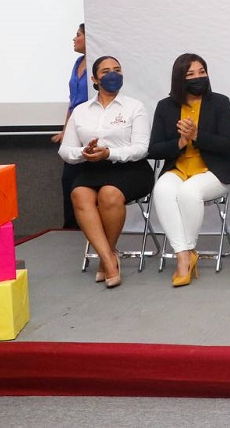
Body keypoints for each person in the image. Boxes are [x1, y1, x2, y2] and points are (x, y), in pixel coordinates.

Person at [58, 56, 153, 288]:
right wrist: (84, 152)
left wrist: (109, 153)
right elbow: (65, 150)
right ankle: (109, 258)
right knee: (79, 194)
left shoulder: (134, 107)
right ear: (94, 79)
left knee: (109, 194)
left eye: (117, 70)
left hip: (131, 169)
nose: (113, 74)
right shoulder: (80, 111)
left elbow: (141, 148)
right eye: (106, 71)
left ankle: (106, 259)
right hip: (93, 168)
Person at [148, 54, 230, 287]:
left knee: (188, 192)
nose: (198, 77)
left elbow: (228, 144)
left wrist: (197, 135)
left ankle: (187, 254)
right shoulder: (165, 107)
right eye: (190, 74)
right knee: (162, 190)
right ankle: (184, 255)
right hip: (178, 169)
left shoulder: (220, 103)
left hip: (213, 171)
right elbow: (154, 149)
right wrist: (180, 142)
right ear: (179, 79)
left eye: (202, 72)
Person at [52, 23, 89, 229]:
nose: (74, 39)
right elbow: (72, 101)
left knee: (83, 179)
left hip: (89, 127)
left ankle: (86, 225)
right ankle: (70, 227)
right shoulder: (77, 62)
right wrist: (65, 130)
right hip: (74, 128)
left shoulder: (96, 65)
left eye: (78, 35)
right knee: (68, 179)